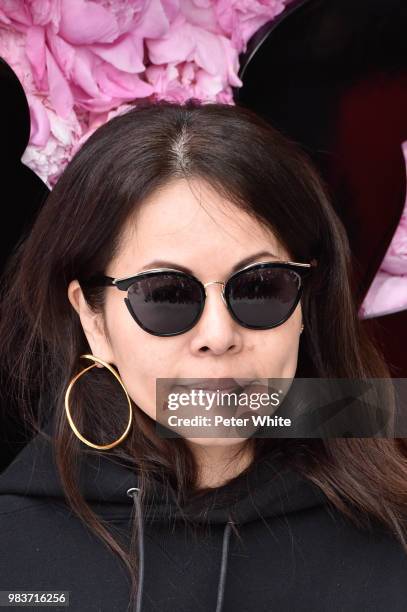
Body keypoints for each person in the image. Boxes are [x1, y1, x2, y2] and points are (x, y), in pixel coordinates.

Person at [0, 98, 406, 612]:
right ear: (93, 320)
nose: (218, 334)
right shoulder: (11, 555)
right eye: (167, 295)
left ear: (306, 302)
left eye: (260, 287)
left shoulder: (393, 544)